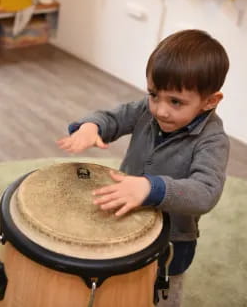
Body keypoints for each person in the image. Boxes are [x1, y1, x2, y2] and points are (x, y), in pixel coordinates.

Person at [57, 29, 230, 307]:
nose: (160, 110)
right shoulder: (147, 110)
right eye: (154, 95)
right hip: (126, 221)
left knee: (161, 295)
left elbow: (206, 192)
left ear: (210, 101)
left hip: (172, 241)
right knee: (120, 286)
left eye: (175, 102)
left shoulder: (213, 141)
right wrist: (91, 126)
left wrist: (152, 188)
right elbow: (112, 117)